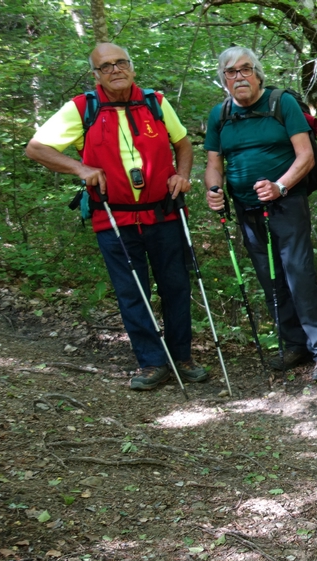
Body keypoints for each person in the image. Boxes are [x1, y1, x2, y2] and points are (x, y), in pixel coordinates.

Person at [26, 43, 205, 392]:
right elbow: (37, 148)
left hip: (164, 212)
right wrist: (80, 167)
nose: (115, 70)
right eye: (105, 66)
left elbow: (183, 144)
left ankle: (182, 357)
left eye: (121, 62)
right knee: (131, 291)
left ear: (132, 67)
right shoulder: (82, 108)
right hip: (113, 218)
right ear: (95, 74)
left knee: (176, 286)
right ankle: (152, 363)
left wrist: (182, 175)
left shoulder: (155, 102)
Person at [203, 46, 317, 382]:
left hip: (286, 204)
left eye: (245, 69)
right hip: (247, 209)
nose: (239, 77)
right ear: (224, 79)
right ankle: (295, 344)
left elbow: (305, 155)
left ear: (257, 73)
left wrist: (280, 186)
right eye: (231, 72)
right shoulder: (219, 115)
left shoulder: (281, 103)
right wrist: (214, 190)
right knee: (270, 278)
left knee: (299, 274)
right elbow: (213, 164)